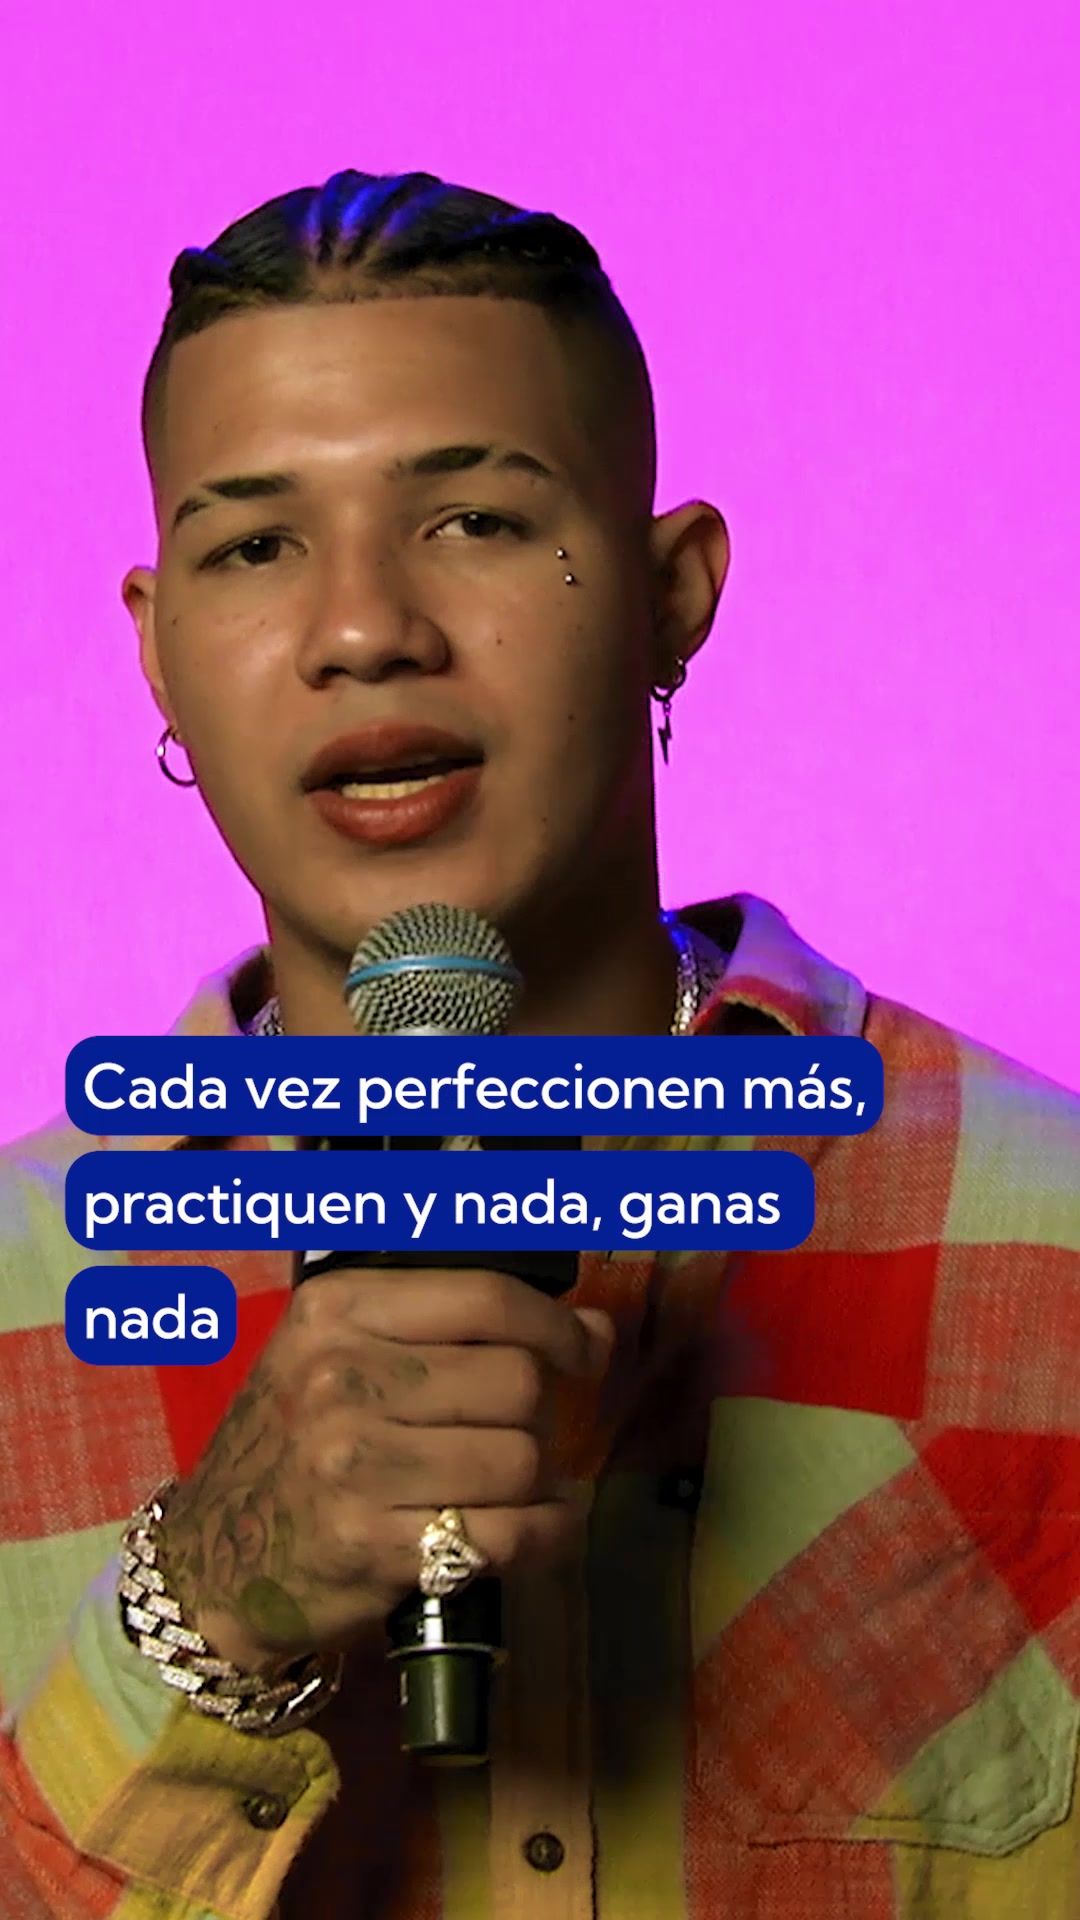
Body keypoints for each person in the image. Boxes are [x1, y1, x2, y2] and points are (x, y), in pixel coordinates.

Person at [1, 167, 1077, 1920]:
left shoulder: (1056, 1248)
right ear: (158, 653)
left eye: (478, 521)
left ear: (671, 593)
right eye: (256, 546)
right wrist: (199, 1613)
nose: (366, 631)